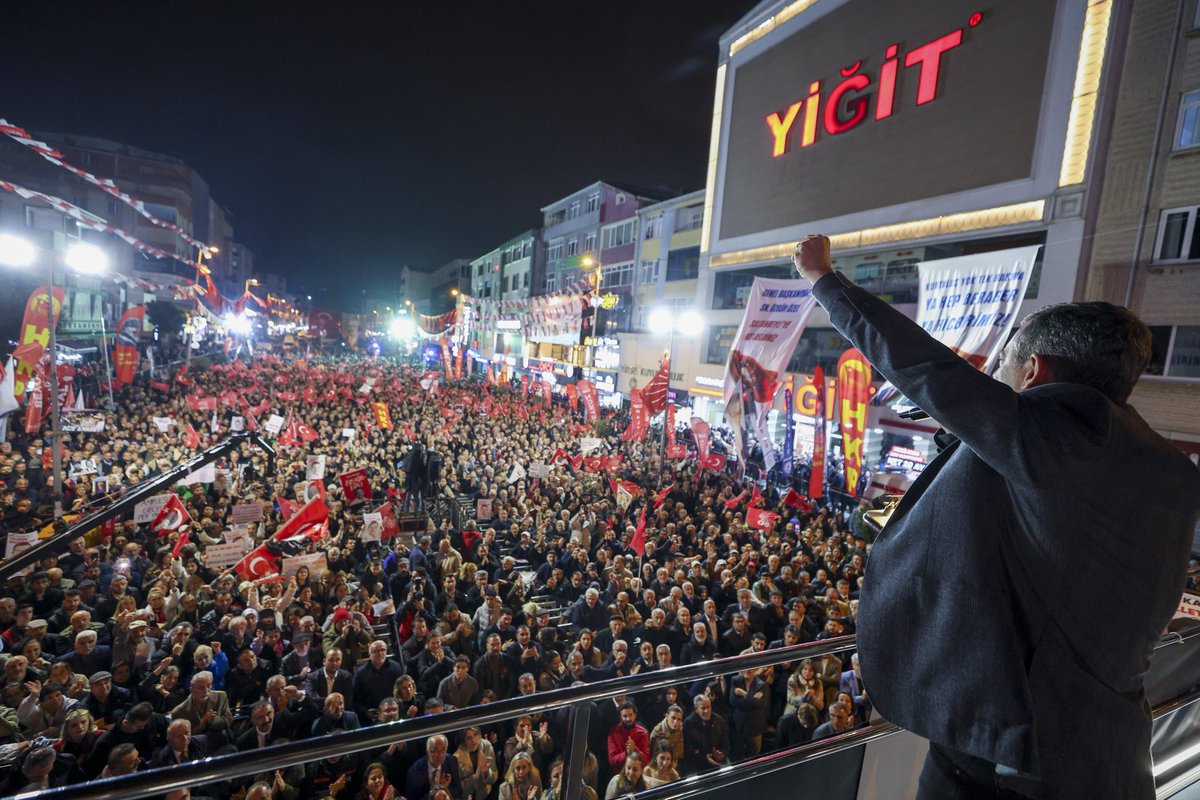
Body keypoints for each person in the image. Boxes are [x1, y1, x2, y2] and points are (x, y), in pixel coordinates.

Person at [794, 234, 1200, 799]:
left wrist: (824, 281)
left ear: (1033, 369)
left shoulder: (1052, 436)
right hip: (1112, 756)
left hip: (1013, 765)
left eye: (1003, 363)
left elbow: (923, 365)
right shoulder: (1166, 468)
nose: (993, 382)